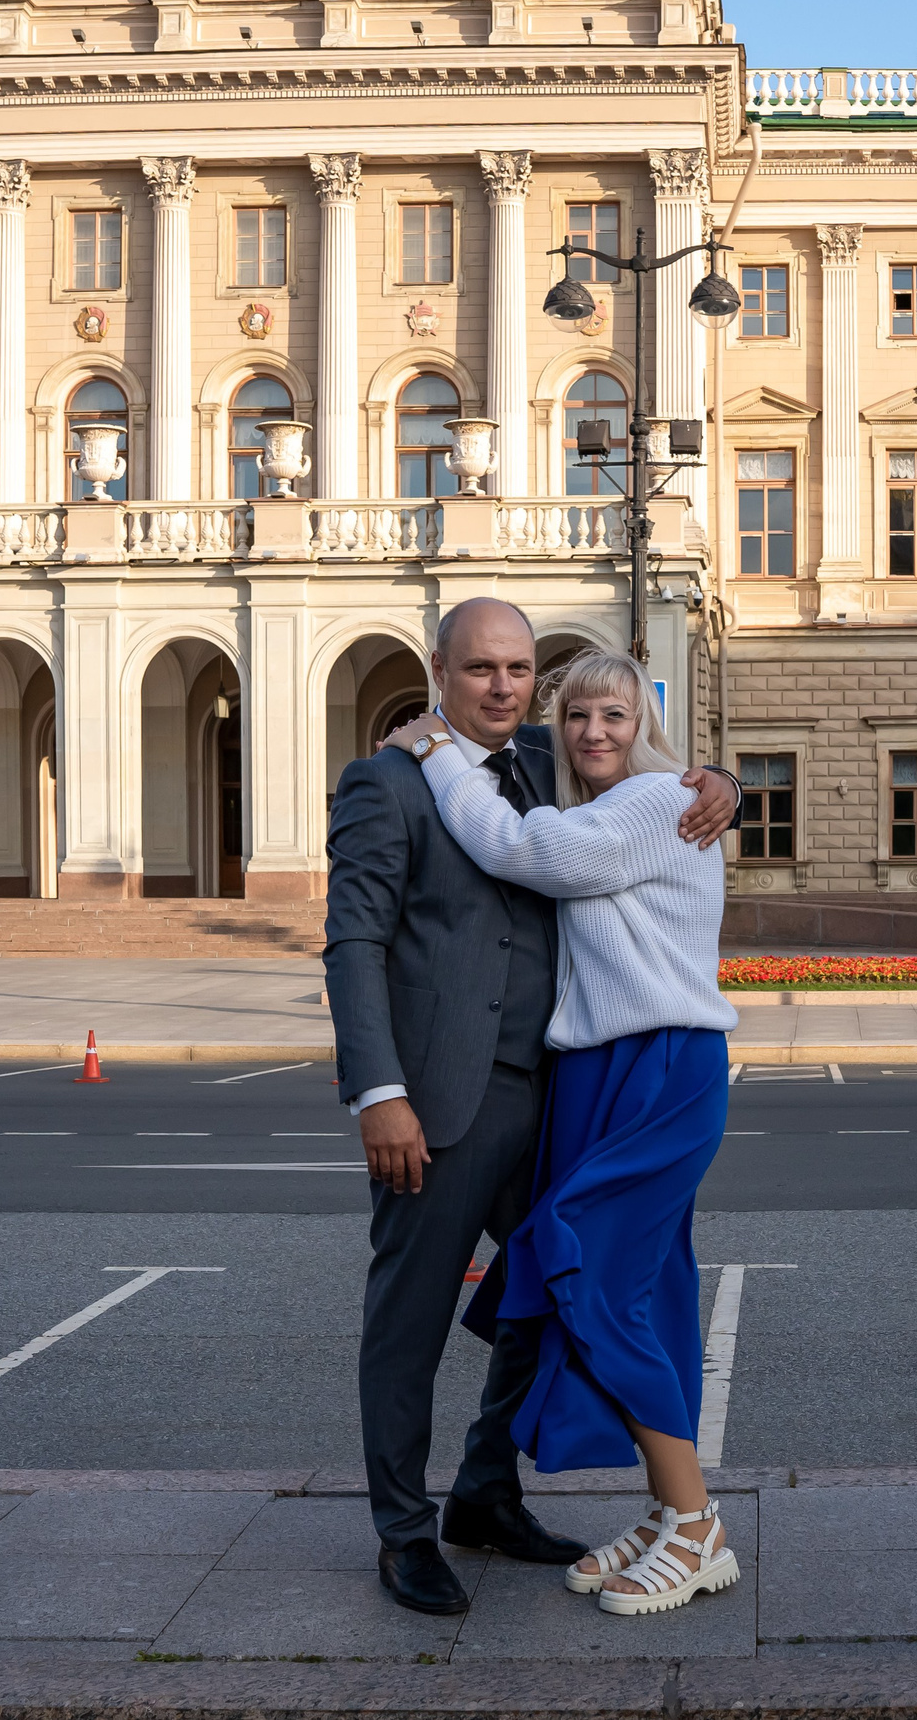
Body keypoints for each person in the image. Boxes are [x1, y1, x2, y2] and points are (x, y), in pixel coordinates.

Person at [324, 597, 740, 1617]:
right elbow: (354, 944)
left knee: (546, 1290)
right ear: (439, 669)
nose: (503, 685)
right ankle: (403, 1528)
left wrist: (715, 778)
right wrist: (378, 1092)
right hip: (441, 1101)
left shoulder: (547, 765)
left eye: (518, 668)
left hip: (557, 1099)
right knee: (409, 1319)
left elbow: (627, 762)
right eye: (479, 668)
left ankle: (484, 1486)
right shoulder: (391, 780)